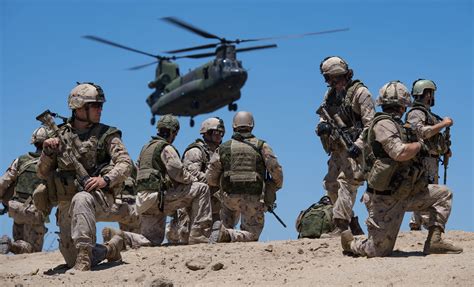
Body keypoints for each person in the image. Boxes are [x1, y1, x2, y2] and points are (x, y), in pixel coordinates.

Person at [341, 81, 463, 257]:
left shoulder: (402, 127)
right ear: (404, 105)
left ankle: (435, 241)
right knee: (377, 251)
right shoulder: (383, 124)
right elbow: (399, 152)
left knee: (443, 194)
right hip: (385, 199)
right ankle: (351, 243)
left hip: (407, 192)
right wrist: (420, 146)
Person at [37, 82, 132, 271]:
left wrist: (105, 180)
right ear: (79, 107)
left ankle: (83, 261)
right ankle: (111, 248)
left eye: (101, 105)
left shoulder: (106, 134)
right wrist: (47, 152)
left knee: (81, 199)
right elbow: (41, 173)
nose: (100, 109)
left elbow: (126, 163)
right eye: (95, 105)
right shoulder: (60, 135)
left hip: (97, 197)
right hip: (66, 203)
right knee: (69, 258)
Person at [121, 114, 212, 247]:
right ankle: (199, 236)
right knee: (202, 189)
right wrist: (193, 179)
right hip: (160, 199)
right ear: (173, 132)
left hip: (143, 200)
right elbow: (178, 173)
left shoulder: (146, 148)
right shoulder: (166, 148)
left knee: (152, 240)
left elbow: (138, 169)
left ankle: (123, 236)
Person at [316, 56, 375, 237]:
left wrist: (358, 145)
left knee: (347, 183)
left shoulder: (361, 93)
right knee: (331, 184)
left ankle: (341, 226)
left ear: (347, 75)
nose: (334, 83)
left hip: (356, 149)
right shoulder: (330, 95)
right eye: (329, 79)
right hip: (337, 149)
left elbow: (371, 125)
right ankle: (352, 224)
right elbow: (324, 115)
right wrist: (322, 127)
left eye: (337, 78)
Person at [207, 111, 283, 243]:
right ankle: (229, 235)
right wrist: (274, 187)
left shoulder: (224, 147)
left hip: (229, 198)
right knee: (252, 236)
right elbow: (276, 171)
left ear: (234, 126)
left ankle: (225, 233)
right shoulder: (262, 146)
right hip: (253, 198)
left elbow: (211, 177)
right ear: (252, 126)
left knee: (226, 225)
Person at [166, 117, 225, 244]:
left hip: (213, 202)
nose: (219, 136)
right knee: (185, 237)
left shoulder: (219, 152)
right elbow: (192, 173)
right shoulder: (196, 151)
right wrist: (213, 179)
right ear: (207, 133)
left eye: (221, 133)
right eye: (216, 133)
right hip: (193, 204)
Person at [406, 79, 452, 231]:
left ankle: (417, 222)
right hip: (422, 159)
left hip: (431, 159)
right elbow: (422, 132)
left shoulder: (427, 114)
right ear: (426, 94)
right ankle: (423, 223)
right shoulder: (416, 113)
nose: (432, 97)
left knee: (427, 188)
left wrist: (445, 150)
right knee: (426, 190)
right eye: (431, 93)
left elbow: (434, 138)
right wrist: (443, 124)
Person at [0, 127, 51, 254]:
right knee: (32, 250)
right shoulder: (50, 164)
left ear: (33, 142)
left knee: (20, 244)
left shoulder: (21, 160)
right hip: (34, 211)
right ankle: (10, 245)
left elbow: (4, 182)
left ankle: (10, 244)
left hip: (15, 208)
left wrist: (3, 201)